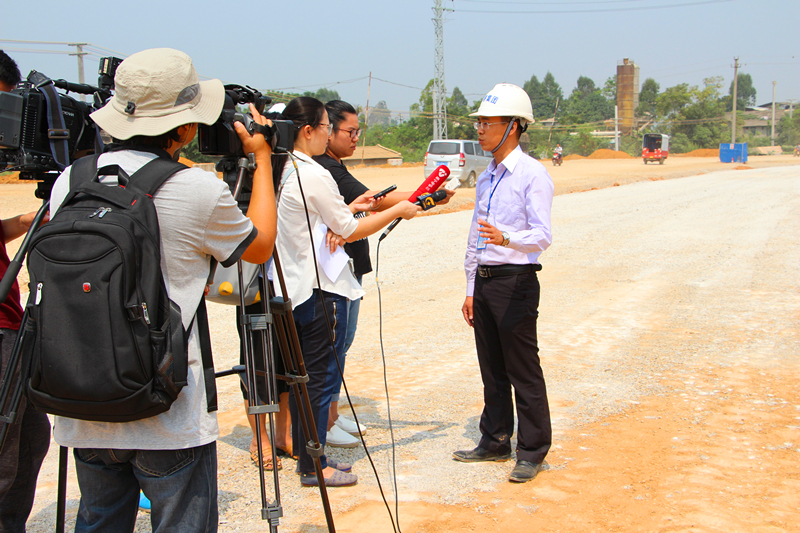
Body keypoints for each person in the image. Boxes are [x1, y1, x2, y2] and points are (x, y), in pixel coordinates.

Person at [47, 48, 277, 531]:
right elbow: (259, 248)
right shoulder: (196, 189)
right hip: (167, 409)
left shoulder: (72, 179)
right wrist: (261, 159)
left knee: (98, 520)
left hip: (85, 401)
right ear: (186, 128)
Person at [273, 97, 420, 487]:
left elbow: (320, 221)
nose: (328, 136)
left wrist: (349, 208)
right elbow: (350, 231)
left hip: (296, 289)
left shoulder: (284, 169)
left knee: (308, 380)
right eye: (326, 128)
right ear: (308, 130)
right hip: (323, 290)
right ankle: (313, 467)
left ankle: (313, 459)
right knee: (320, 382)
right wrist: (396, 211)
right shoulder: (315, 173)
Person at [313, 100, 454, 448]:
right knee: (334, 347)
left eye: (358, 131)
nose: (355, 138)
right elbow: (374, 201)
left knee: (341, 346)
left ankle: (332, 415)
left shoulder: (336, 166)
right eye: (350, 131)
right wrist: (424, 197)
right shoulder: (327, 169)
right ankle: (324, 422)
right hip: (336, 272)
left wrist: (426, 199)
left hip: (348, 269)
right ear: (327, 131)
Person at [454, 83, 554, 483]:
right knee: (492, 368)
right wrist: (470, 287)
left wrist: (507, 238)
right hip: (486, 281)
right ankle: (495, 439)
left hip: (516, 282)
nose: (479, 129)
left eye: (487, 122)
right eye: (478, 122)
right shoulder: (487, 176)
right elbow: (475, 235)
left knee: (522, 369)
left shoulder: (533, 174)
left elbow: (542, 235)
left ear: (513, 126)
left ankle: (532, 451)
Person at [0, 49, 52, 533]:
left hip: (13, 322)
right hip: (1, 328)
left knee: (32, 440)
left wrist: (31, 221)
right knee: (5, 451)